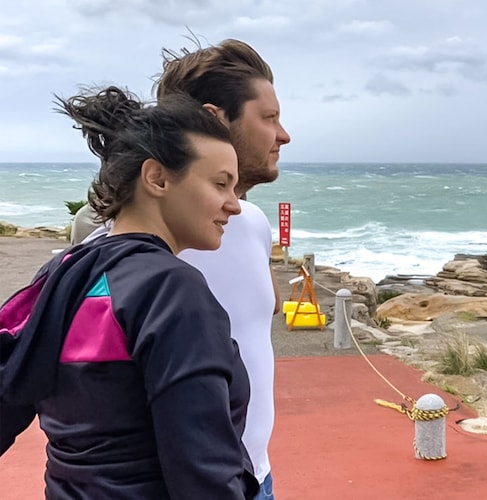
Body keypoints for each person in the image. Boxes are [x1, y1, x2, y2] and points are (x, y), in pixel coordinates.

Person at [0, 86, 258, 498]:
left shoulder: (63, 272)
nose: (234, 205)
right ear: (157, 178)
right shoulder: (172, 290)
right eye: (220, 184)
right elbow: (202, 470)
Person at [156, 38, 291, 500]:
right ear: (215, 120)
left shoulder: (251, 222)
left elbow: (266, 307)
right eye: (268, 118)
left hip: (256, 475)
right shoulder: (129, 241)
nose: (283, 135)